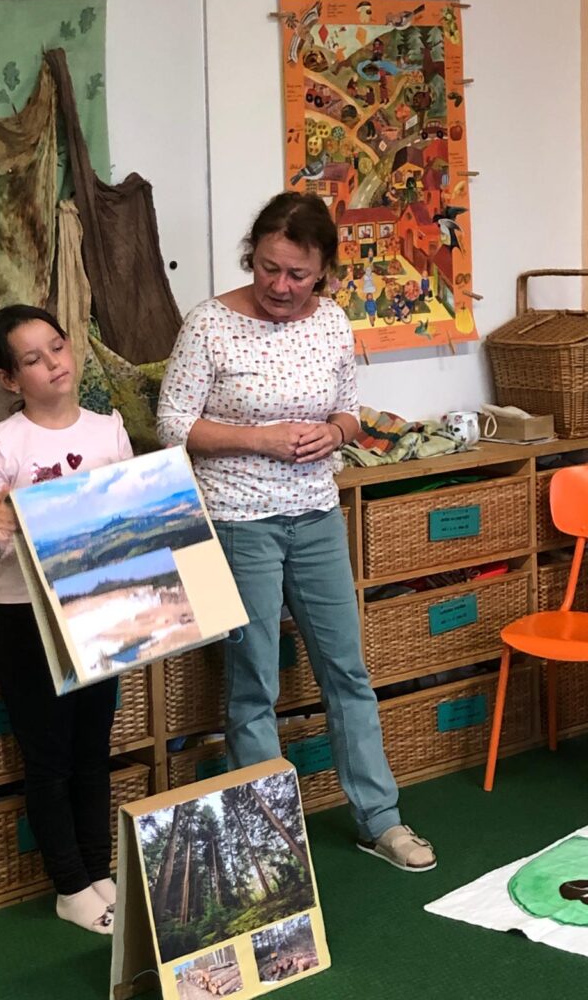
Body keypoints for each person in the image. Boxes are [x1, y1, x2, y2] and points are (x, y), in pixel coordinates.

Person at [156, 192, 436, 873]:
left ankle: (380, 819)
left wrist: (335, 432)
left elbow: (349, 410)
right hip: (238, 521)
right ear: (252, 256)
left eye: (298, 274)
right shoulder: (210, 324)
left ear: (324, 272)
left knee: (348, 671)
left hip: (316, 514)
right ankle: (265, 842)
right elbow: (172, 425)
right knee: (254, 682)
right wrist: (260, 439)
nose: (280, 286)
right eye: (268, 268)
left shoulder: (333, 321)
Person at [0, 304, 134, 932]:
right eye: (33, 360)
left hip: (99, 607)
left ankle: (97, 869)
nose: (54, 364)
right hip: (27, 617)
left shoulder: (108, 431)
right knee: (49, 755)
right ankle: (69, 885)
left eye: (58, 347)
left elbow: (132, 522)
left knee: (93, 747)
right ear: (9, 379)